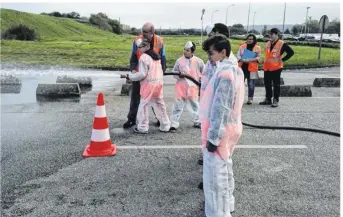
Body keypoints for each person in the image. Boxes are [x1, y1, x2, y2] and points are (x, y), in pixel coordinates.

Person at [200, 34, 244, 217]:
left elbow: (221, 108)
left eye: (212, 53)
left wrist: (213, 138)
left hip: (221, 132)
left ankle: (218, 213)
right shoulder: (233, 70)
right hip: (230, 129)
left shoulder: (225, 74)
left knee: (215, 178)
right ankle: (228, 205)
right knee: (225, 169)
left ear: (223, 52)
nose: (209, 57)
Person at [123, 22, 166, 128]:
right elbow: (133, 57)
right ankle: (131, 119)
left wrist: (162, 72)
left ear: (152, 32)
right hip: (140, 73)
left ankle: (160, 119)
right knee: (135, 97)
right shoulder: (137, 40)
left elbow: (163, 58)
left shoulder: (159, 41)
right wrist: (133, 70)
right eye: (142, 31)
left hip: (153, 77)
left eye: (145, 32)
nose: (143, 34)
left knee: (156, 99)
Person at [170, 41, 204, 131]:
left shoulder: (199, 61)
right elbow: (174, 72)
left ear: (192, 52)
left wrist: (201, 81)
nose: (185, 51)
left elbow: (203, 73)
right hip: (181, 87)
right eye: (184, 49)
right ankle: (174, 123)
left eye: (187, 50)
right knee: (178, 105)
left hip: (193, 88)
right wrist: (178, 75)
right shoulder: (179, 61)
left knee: (195, 105)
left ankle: (198, 121)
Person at [259, 28, 294, 107]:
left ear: (276, 34)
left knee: (276, 85)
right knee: (267, 84)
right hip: (267, 67)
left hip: (276, 67)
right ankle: (268, 99)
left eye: (271, 34)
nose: (270, 36)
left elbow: (291, 52)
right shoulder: (268, 43)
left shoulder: (282, 44)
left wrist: (283, 59)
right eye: (269, 35)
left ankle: (276, 100)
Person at [237, 34, 262, 104]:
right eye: (248, 39)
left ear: (254, 40)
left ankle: (250, 99)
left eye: (251, 39)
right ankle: (239, 98)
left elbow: (259, 58)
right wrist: (243, 60)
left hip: (253, 69)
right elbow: (238, 56)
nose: (249, 40)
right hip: (242, 68)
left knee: (251, 85)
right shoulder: (242, 46)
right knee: (240, 84)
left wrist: (250, 59)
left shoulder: (257, 48)